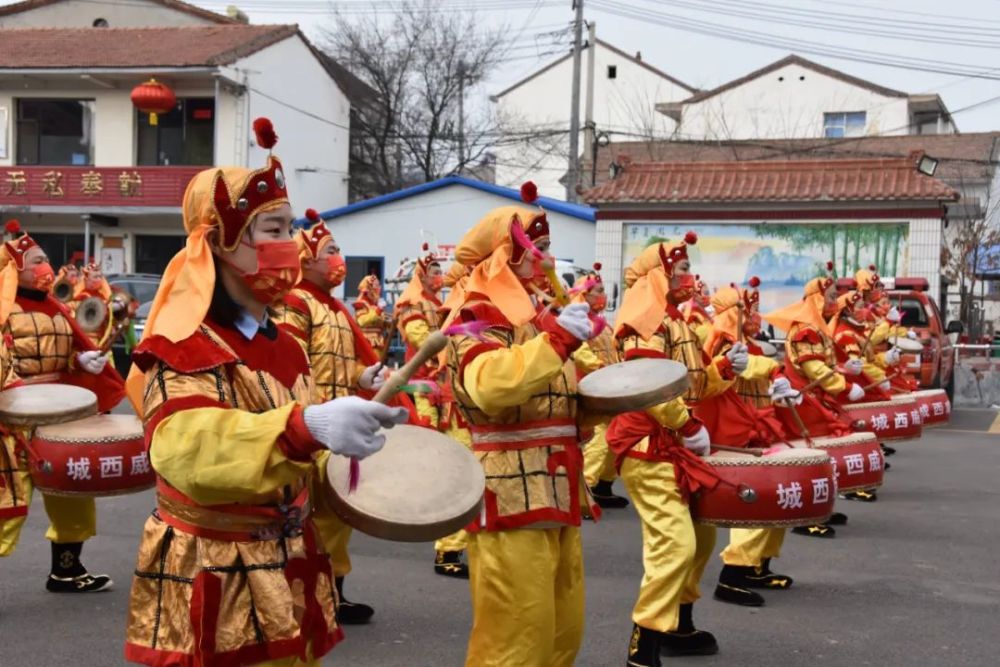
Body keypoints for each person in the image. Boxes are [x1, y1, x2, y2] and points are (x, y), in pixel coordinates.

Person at [122, 118, 407, 666]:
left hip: (290, 555)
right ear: (222, 242)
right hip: (215, 568)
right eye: (272, 229)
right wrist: (308, 428)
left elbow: (305, 438)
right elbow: (187, 449)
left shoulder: (284, 343)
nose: (290, 245)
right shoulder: (180, 345)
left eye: (289, 227)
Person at [445, 202, 599, 667]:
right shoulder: (473, 313)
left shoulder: (537, 313)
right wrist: (556, 340)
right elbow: (491, 386)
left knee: (561, 633)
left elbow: (559, 392)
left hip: (558, 487)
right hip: (508, 491)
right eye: (540, 248)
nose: (547, 260)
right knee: (515, 639)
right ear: (505, 253)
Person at [607, 234, 735, 665]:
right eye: (681, 270)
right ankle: (644, 641)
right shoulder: (644, 324)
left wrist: (722, 370)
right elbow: (650, 386)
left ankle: (679, 620)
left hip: (679, 441)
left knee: (702, 536)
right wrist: (688, 422)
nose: (689, 276)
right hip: (649, 446)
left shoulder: (676, 322)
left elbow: (696, 382)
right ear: (660, 276)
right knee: (674, 544)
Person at [274, 208, 389, 624]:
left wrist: (363, 375)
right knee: (315, 518)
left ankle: (333, 594)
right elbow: (289, 365)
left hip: (341, 424)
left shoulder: (336, 308)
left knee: (337, 517)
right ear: (306, 259)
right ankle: (311, 597)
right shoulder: (295, 303)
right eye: (331, 250)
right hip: (318, 423)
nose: (339, 257)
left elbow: (338, 364)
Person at [0, 219, 125, 592]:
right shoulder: (3, 309)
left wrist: (81, 362)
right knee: (6, 502)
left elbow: (70, 350)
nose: (45, 268)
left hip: (59, 418)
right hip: (12, 420)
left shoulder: (57, 306)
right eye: (36, 261)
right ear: (12, 269)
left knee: (72, 493)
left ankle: (67, 571)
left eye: (44, 260)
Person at [695, 280, 799, 607]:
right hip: (734, 434)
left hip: (757, 425)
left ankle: (758, 563)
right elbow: (748, 367)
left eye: (753, 310)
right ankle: (733, 573)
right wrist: (772, 369)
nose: (753, 316)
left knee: (778, 495)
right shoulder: (723, 343)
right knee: (756, 499)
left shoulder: (749, 342)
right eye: (746, 310)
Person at [764, 267, 858, 537]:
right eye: (829, 297)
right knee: (810, 456)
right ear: (816, 300)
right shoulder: (806, 331)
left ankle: (820, 507)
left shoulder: (815, 328)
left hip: (815, 398)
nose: (834, 303)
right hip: (803, 400)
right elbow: (815, 370)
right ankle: (806, 515)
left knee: (821, 455)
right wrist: (845, 386)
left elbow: (825, 366)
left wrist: (845, 371)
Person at [570, 264, 628, 509]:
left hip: (610, 384)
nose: (603, 295)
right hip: (592, 385)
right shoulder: (578, 320)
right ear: (586, 294)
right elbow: (579, 351)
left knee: (619, 435)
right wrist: (600, 368)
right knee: (600, 440)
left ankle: (603, 485)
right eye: (599, 291)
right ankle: (585, 491)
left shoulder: (602, 322)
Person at [431, 260, 474, 579]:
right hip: (457, 406)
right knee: (463, 477)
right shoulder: (460, 312)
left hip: (470, 407)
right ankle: (448, 548)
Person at [394, 243, 444, 428]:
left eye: (440, 272)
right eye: (435, 273)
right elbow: (418, 337)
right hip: (421, 374)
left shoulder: (438, 304)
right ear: (422, 276)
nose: (440, 277)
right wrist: (445, 351)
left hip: (439, 373)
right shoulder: (413, 301)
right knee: (428, 424)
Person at [71, 260, 115, 351]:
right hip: (83, 341)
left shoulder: (104, 297)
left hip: (101, 341)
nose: (99, 279)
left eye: (100, 276)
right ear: (86, 278)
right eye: (95, 277)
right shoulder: (79, 297)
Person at [353, 273, 391, 359]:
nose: (379, 288)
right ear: (369, 288)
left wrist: (389, 323)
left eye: (378, 285)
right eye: (376, 286)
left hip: (378, 341)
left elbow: (380, 322)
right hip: (366, 342)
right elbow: (362, 321)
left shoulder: (375, 304)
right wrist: (378, 311)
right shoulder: (361, 303)